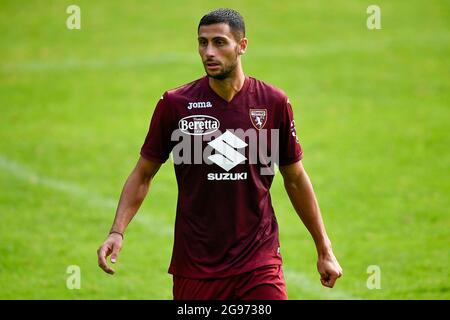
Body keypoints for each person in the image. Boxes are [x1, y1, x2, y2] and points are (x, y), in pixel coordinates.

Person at [97, 8, 342, 300]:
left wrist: (324, 249)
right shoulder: (175, 104)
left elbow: (295, 179)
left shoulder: (273, 102)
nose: (209, 52)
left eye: (219, 42)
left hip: (259, 263)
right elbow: (143, 173)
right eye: (203, 43)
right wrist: (117, 231)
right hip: (196, 266)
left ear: (242, 46)